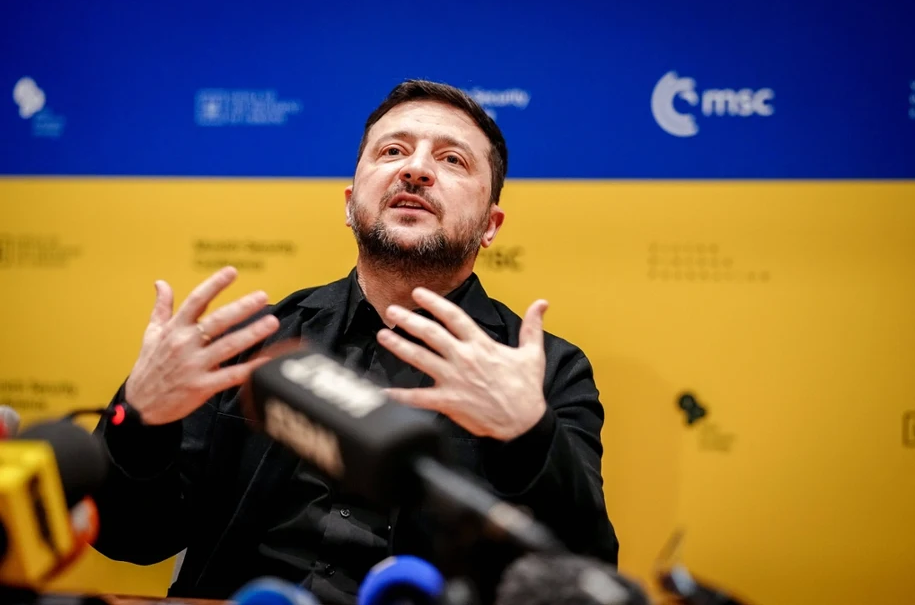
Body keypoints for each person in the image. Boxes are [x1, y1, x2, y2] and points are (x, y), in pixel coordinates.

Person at [91, 79, 619, 605]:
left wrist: (527, 435)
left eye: (452, 160)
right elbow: (128, 537)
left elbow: (583, 573)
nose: (415, 170)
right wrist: (140, 418)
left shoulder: (544, 370)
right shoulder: (253, 344)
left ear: (490, 225)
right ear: (349, 204)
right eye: (392, 151)